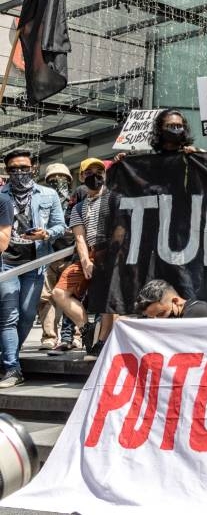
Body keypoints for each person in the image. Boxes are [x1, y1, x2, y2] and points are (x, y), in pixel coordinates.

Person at [0, 150, 67, 388]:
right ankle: (12, 368)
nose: (19, 173)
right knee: (9, 316)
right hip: (6, 262)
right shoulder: (1, 195)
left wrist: (46, 233)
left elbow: (61, 225)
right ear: (7, 171)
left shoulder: (48, 194)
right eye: (13, 169)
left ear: (33, 168)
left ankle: (7, 358)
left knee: (28, 315)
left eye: (23, 168)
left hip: (35, 263)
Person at [48, 159, 114, 357]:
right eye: (89, 172)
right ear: (82, 176)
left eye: (99, 171)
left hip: (111, 254)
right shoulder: (78, 207)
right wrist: (85, 260)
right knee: (59, 292)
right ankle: (86, 329)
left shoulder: (114, 199)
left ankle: (100, 344)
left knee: (107, 302)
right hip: (90, 253)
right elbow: (79, 237)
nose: (95, 175)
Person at [35, 163, 77, 350]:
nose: (58, 182)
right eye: (53, 179)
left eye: (62, 178)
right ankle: (49, 336)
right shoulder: (43, 204)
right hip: (48, 256)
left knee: (72, 296)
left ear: (69, 181)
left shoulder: (76, 201)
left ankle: (75, 335)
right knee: (46, 298)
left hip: (71, 256)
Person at [135, 279, 207, 318]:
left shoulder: (198, 309)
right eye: (151, 318)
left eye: (161, 314)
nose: (157, 320)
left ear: (175, 301)